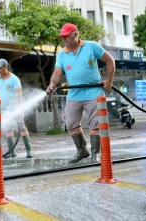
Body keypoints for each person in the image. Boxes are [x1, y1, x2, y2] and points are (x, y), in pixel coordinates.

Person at [46, 23, 115, 163]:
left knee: (96, 125)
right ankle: (82, 150)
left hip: (94, 91)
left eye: (66, 36)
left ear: (75, 34)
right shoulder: (62, 54)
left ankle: (96, 153)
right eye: (62, 37)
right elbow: (58, 72)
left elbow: (110, 61)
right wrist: (52, 84)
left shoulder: (91, 46)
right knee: (70, 123)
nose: (64, 39)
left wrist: (109, 80)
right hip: (74, 93)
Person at [0, 58, 33, 158]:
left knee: (21, 128)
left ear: (5, 67)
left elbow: (19, 94)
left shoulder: (14, 79)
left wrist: (19, 109)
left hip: (15, 108)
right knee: (7, 130)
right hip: (4, 109)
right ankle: (12, 152)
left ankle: (29, 151)